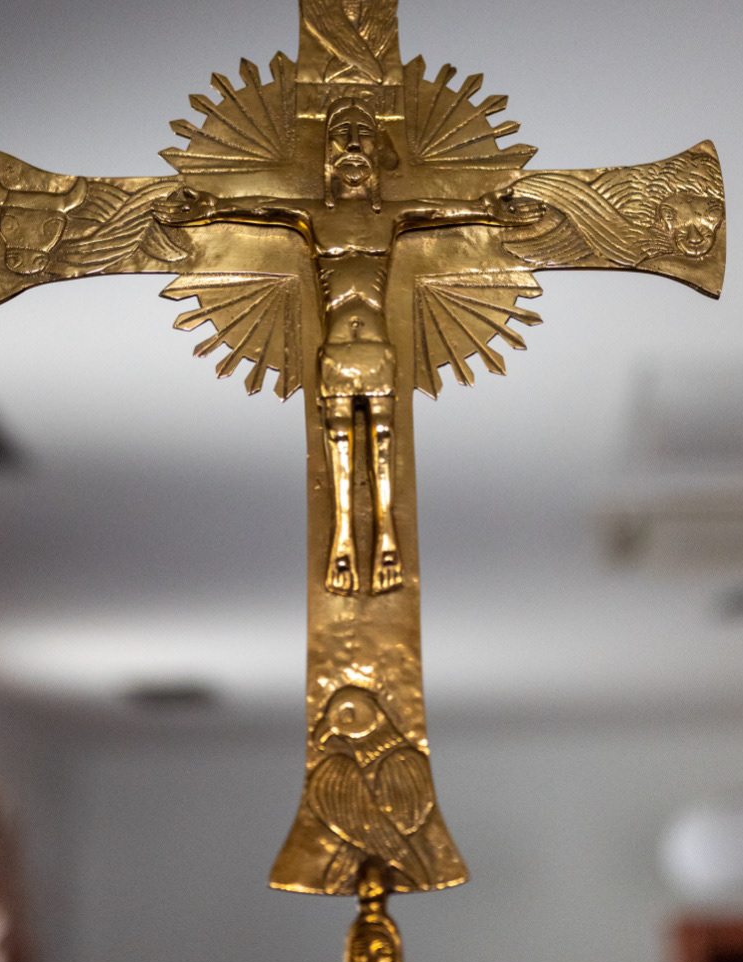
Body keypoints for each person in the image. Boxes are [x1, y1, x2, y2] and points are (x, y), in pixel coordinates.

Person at [157, 94, 524, 595]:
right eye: (340, 135)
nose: (352, 144)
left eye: (364, 134)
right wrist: (213, 207)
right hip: (334, 353)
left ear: (379, 150)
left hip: (377, 349)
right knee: (340, 450)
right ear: (326, 151)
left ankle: (388, 539)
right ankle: (343, 542)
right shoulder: (311, 215)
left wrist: (487, 209)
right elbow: (262, 208)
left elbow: (439, 210)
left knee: (382, 444)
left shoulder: (391, 215)